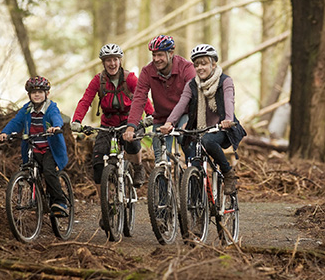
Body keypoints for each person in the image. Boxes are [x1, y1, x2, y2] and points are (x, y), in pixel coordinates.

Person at [159, 44, 246, 195]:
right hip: (199, 128)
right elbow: (181, 105)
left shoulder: (225, 81)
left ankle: (228, 173)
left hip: (221, 129)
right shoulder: (192, 85)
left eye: (204, 64)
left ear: (213, 64)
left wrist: (228, 119)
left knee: (207, 141)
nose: (200, 68)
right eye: (197, 65)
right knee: (191, 156)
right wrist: (169, 123)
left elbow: (229, 102)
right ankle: (195, 203)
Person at [70, 43, 154, 187]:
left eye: (115, 59)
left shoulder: (130, 78)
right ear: (103, 62)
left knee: (132, 143)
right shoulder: (98, 80)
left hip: (129, 121)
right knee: (97, 162)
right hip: (108, 124)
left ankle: (138, 167)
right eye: (108, 60)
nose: (112, 63)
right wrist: (77, 120)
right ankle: (107, 199)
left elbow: (142, 97)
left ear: (120, 60)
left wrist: (150, 114)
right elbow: (86, 100)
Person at [0, 76, 69, 216]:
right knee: (29, 170)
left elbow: (56, 117)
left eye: (40, 92)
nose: (37, 95)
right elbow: (16, 122)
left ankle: (60, 202)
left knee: (49, 171)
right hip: (32, 148)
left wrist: (55, 127)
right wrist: (5, 133)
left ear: (47, 94)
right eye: (33, 92)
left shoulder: (51, 107)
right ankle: (38, 199)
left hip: (49, 149)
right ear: (29, 94)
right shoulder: (26, 109)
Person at [123, 34, 196, 162]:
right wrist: (131, 126)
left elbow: (193, 96)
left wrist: (186, 121)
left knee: (184, 139)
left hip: (184, 114)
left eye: (160, 55)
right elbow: (139, 99)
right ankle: (162, 179)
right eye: (154, 55)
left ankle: (195, 170)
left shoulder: (186, 68)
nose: (156, 59)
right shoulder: (147, 71)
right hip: (161, 117)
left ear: (171, 53)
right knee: (160, 159)